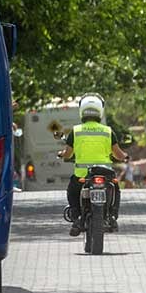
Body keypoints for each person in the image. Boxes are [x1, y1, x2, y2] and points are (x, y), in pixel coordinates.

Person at [58, 95, 129, 236]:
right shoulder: (107, 131)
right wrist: (125, 157)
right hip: (105, 174)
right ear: (100, 112)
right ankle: (112, 216)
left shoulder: (76, 131)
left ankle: (77, 217)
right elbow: (118, 154)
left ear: (82, 111)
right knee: (115, 188)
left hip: (82, 176)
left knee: (72, 191)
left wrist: (61, 154)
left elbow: (68, 154)